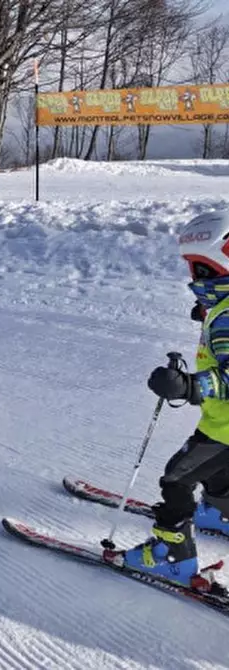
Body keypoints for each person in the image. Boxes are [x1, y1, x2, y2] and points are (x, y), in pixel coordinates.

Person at [122, 208, 229, 587]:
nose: (193, 278)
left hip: (225, 429)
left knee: (176, 479)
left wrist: (188, 386)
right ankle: (222, 512)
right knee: (220, 472)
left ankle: (173, 556)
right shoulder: (221, 309)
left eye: (200, 270)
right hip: (223, 427)